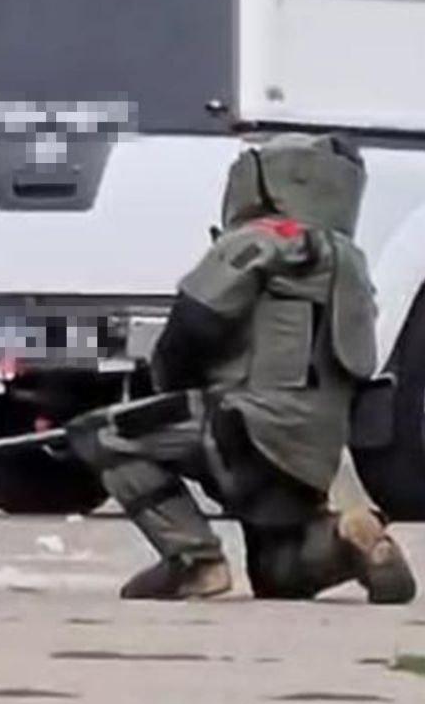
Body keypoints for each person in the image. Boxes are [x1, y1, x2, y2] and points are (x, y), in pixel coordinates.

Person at [68, 133, 416, 603]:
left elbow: (193, 323)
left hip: (245, 425)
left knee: (101, 434)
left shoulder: (263, 240)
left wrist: (166, 391)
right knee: (278, 573)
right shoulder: (350, 262)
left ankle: (194, 561)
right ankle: (349, 540)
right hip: (315, 450)